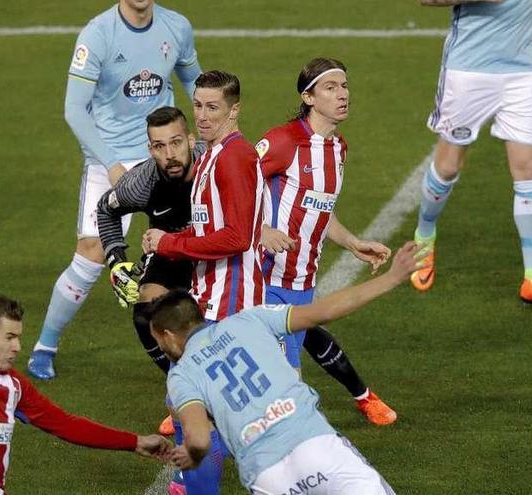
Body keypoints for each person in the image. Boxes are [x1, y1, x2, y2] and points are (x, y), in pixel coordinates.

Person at [150, 242, 424, 494]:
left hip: (267, 476)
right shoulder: (250, 319)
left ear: (168, 334)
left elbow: (198, 439)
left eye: (157, 339)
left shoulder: (180, 375)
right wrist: (390, 278)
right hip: (316, 446)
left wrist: (192, 455)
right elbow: (324, 312)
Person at [28, 0, 203, 380]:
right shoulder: (98, 34)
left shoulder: (177, 27)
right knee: (91, 254)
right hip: (109, 156)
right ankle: (46, 344)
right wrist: (110, 164)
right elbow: (75, 109)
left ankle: (203, 338)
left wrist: (210, 133)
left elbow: (194, 80)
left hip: (165, 153)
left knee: (200, 238)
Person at [0, 293, 171, 494]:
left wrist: (134, 442)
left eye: (19, 337)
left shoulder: (14, 385)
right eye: (9, 337)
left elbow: (65, 424)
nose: (17, 347)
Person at [256, 57, 396, 426]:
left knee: (275, 373)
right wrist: (262, 233)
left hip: (301, 280)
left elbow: (320, 209)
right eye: (330, 88)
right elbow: (233, 186)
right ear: (308, 97)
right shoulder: (283, 141)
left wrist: (352, 243)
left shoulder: (338, 149)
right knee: (287, 385)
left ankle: (189, 410)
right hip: (264, 278)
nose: (342, 95)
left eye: (344, 86)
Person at [142, 70, 263, 495]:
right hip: (207, 300)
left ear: (234, 110)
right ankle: (191, 484)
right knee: (191, 408)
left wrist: (172, 244)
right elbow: (211, 226)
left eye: (213, 107)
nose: (204, 115)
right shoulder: (210, 153)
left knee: (200, 414)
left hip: (229, 306)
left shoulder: (234, 156)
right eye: (198, 105)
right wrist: (165, 241)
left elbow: (238, 236)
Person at [411, 0, 532, 309]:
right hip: (468, 71)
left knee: (529, 168)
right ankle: (424, 238)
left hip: (524, 71)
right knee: (448, 166)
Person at [97, 106, 204, 374]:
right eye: (159, 146)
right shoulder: (140, 183)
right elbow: (105, 210)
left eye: (176, 143)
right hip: (170, 251)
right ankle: (181, 378)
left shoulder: (215, 164)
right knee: (147, 311)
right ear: (150, 149)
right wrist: (116, 261)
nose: (170, 155)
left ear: (191, 141)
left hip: (217, 248)